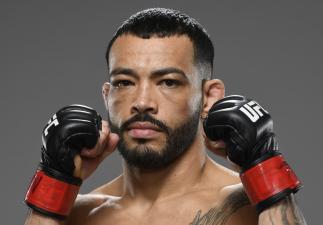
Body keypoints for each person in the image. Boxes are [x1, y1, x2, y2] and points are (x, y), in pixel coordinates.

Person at [24, 8, 307, 225]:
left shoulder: (248, 206)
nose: (142, 103)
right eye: (125, 82)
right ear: (106, 96)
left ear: (209, 97)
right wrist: (55, 183)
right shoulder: (80, 214)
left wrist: (264, 168)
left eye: (168, 82)